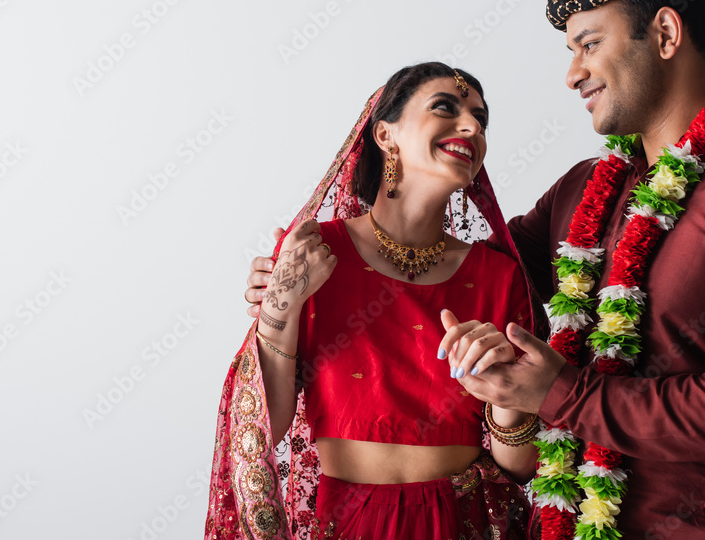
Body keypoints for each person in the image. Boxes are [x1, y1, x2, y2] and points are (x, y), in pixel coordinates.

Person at [248, 0, 705, 539]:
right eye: (571, 51)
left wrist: (561, 392)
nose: (573, 74)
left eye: (590, 43)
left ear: (667, 32)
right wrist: (299, 287)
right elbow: (457, 271)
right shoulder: (586, 191)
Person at [207, 62, 549, 540]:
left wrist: (504, 393)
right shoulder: (314, 256)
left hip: (463, 521)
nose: (471, 126)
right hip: (351, 522)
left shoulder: (499, 276)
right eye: (445, 108)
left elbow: (522, 468)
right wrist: (280, 308)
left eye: (481, 118)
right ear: (386, 135)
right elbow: (270, 423)